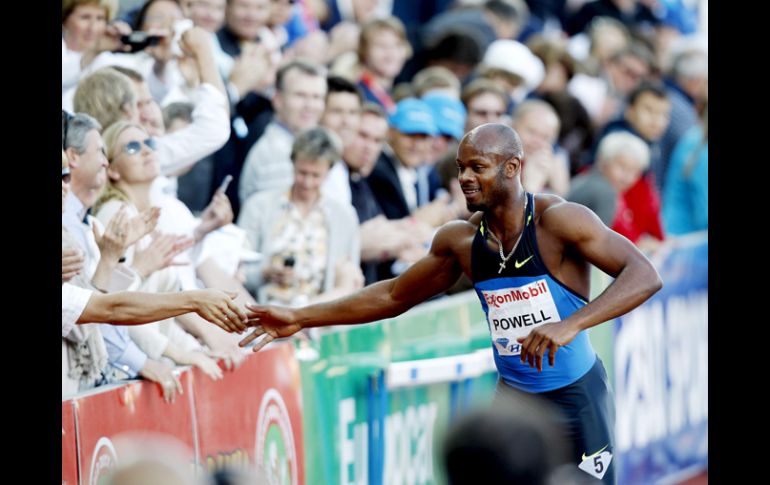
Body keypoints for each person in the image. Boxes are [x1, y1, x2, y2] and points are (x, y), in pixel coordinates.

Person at [240, 123, 662, 484]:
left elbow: (644, 274)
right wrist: (298, 316)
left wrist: (571, 324)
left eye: (477, 167)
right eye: (460, 168)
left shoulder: (559, 221)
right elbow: (392, 295)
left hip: (577, 399)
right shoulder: (460, 241)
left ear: (512, 168)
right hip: (515, 402)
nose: (464, 178)